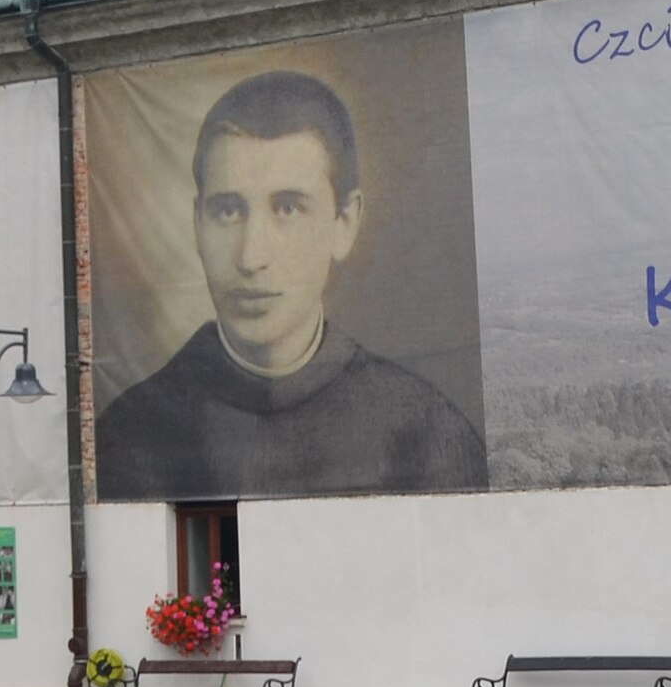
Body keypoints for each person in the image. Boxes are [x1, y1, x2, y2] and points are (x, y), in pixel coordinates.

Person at [98, 69, 485, 499]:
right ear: (196, 223)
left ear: (345, 222)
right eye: (227, 211)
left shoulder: (424, 435)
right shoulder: (129, 434)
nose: (250, 257)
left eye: (287, 208)